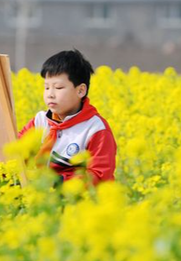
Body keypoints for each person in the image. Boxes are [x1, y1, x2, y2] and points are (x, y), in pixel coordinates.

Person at [19, 49, 116, 185]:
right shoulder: (39, 121)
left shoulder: (95, 129)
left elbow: (100, 174)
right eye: (46, 88)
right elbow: (17, 152)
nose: (50, 94)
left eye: (58, 88)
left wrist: (59, 183)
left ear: (81, 90)